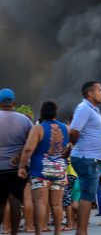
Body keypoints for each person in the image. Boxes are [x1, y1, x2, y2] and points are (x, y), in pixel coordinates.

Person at [63, 81, 101, 235]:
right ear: (90, 93)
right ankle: (81, 232)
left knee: (88, 196)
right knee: (87, 196)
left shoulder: (93, 109)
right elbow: (74, 131)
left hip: (91, 158)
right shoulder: (83, 108)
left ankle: (82, 231)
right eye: (99, 90)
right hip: (86, 158)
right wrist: (72, 146)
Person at [17, 101, 69, 235]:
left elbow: (28, 149)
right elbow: (72, 143)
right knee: (57, 204)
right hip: (59, 170)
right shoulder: (66, 128)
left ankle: (39, 232)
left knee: (40, 203)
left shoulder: (38, 129)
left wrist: (21, 166)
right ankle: (57, 232)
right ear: (55, 113)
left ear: (42, 113)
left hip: (40, 170)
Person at [0, 88, 33, 235]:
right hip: (17, 167)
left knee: (0, 202)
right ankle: (14, 232)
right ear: (13, 102)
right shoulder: (24, 120)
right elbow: (32, 143)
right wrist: (20, 155)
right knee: (15, 201)